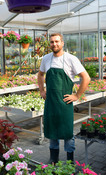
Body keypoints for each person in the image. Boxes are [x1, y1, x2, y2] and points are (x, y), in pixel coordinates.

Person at [37, 33, 90, 164]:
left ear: (62, 43)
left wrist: (77, 95)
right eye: (52, 42)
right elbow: (40, 74)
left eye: (57, 41)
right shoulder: (46, 59)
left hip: (65, 103)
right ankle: (53, 158)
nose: (54, 44)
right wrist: (42, 90)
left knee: (67, 132)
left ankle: (70, 160)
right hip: (50, 102)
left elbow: (86, 78)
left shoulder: (71, 59)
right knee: (52, 130)